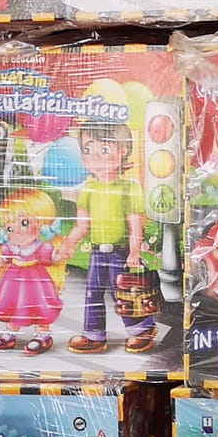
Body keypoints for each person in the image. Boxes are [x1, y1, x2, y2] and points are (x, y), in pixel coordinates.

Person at [61, 121, 155, 356]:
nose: (95, 156)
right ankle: (94, 335)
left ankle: (141, 329)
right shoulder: (89, 189)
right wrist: (68, 243)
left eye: (104, 149)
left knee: (122, 291)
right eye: (88, 149)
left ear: (122, 151)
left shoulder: (128, 187)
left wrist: (134, 251)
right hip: (97, 252)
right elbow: (82, 224)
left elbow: (135, 222)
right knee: (92, 292)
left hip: (120, 251)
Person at [0, 187, 64, 354]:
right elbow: (3, 258)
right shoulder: (10, 247)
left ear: (42, 224)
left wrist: (57, 256)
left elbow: (49, 259)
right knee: (13, 304)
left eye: (24, 223)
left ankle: (42, 334)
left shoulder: (41, 247)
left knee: (39, 305)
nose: (17, 231)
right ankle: (10, 333)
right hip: (13, 280)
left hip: (36, 281)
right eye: (9, 228)